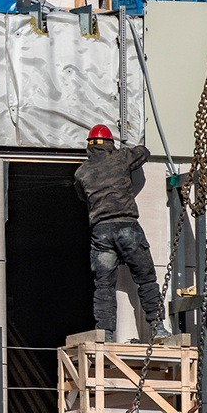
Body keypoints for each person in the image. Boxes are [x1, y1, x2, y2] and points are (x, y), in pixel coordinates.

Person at [74, 124, 173, 343]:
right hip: (127, 227)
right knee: (146, 279)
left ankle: (106, 334)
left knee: (104, 285)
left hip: (101, 232)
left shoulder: (82, 172)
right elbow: (143, 153)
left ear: (89, 146)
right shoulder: (120, 157)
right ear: (110, 143)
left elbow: (83, 197)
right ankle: (158, 328)